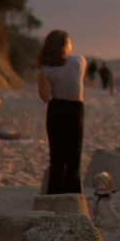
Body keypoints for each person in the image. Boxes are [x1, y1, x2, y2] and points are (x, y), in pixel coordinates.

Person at [36, 29, 87, 194]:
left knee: (57, 159)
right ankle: (72, 196)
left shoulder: (45, 69)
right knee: (74, 159)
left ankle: (54, 196)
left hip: (56, 109)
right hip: (75, 109)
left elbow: (45, 97)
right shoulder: (79, 61)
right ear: (65, 45)